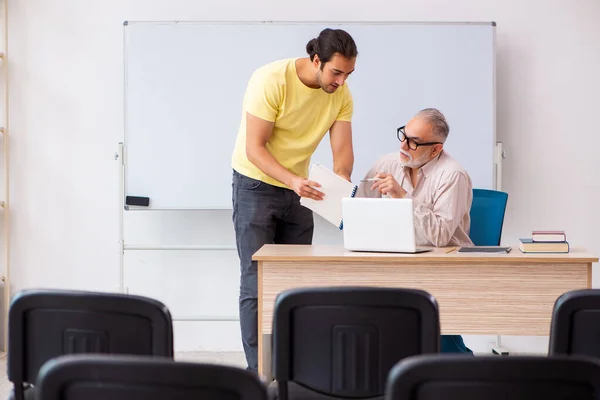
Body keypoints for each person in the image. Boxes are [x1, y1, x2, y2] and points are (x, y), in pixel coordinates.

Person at [231, 28, 358, 371]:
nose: (342, 81)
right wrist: (293, 181)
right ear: (317, 60)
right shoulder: (271, 79)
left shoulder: (341, 94)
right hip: (256, 184)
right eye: (336, 72)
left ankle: (291, 369)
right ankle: (259, 372)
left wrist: (340, 183)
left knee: (297, 282)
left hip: (300, 189)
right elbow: (254, 149)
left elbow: (342, 154)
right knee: (256, 280)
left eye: (348, 74)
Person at [356, 108, 474, 354]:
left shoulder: (452, 175)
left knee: (435, 329)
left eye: (414, 142)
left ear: (436, 149)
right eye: (403, 136)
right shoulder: (388, 163)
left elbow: (440, 236)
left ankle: (459, 365)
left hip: (441, 266)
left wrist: (401, 196)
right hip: (394, 261)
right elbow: (360, 207)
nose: (404, 145)